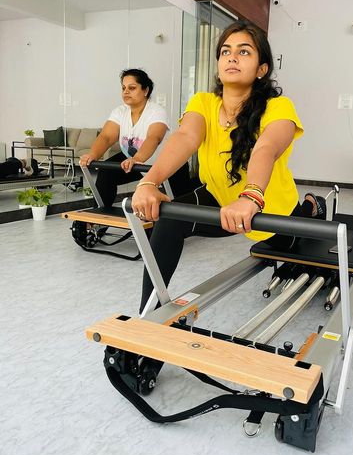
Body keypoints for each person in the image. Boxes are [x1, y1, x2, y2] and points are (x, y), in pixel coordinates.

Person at [131, 20, 326, 312]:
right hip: (220, 200)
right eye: (226, 51)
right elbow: (186, 137)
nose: (232, 57)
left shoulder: (278, 107)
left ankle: (312, 205)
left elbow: (266, 149)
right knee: (170, 219)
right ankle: (149, 313)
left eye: (244, 51)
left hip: (269, 206)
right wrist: (149, 182)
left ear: (261, 69)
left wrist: (251, 196)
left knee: (287, 245)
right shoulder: (203, 102)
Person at [79, 68, 190, 207]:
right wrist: (92, 155)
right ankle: (100, 215)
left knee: (180, 205)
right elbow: (106, 137)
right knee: (107, 172)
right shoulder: (120, 112)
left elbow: (153, 138)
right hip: (138, 161)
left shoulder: (156, 111)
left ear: (145, 91)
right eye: (123, 88)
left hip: (169, 161)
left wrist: (137, 159)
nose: (126, 91)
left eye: (131, 88)